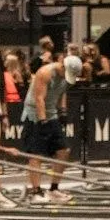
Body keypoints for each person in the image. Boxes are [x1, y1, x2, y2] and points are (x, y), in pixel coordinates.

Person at [21, 57, 70, 203]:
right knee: (36, 154)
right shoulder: (45, 73)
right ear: (62, 67)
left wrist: (63, 111)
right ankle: (35, 192)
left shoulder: (68, 76)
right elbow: (39, 99)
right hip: (34, 115)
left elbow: (62, 91)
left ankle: (54, 189)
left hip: (52, 113)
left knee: (64, 150)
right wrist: (42, 121)